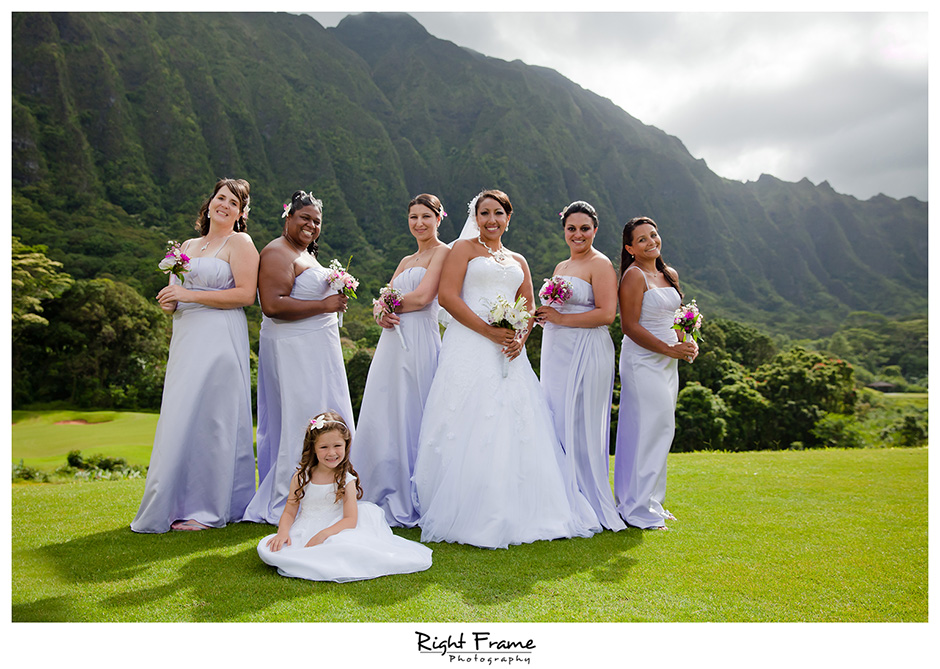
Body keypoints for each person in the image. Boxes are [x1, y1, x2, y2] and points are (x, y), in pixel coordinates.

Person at [412, 189, 601, 549]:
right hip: (469, 344)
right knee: (468, 417)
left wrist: (520, 338)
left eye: (498, 213)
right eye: (484, 213)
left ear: (508, 218)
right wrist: (488, 331)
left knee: (514, 420)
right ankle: (465, 505)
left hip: (509, 353)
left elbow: (528, 305)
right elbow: (449, 297)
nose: (491, 220)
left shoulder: (518, 260)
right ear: (476, 217)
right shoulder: (462, 250)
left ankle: (523, 508)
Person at [131, 178, 259, 533]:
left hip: (220, 335)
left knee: (213, 417)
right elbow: (180, 294)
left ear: (241, 213)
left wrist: (189, 297)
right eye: (220, 198)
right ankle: (173, 502)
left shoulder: (241, 243)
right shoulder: (188, 245)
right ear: (209, 203)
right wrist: (171, 302)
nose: (224, 205)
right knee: (180, 413)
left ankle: (209, 509)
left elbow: (246, 295)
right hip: (186, 335)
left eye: (233, 203)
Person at [242, 191, 355, 525]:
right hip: (296, 353)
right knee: (301, 418)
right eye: (304, 217)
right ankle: (293, 495)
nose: (311, 225)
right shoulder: (277, 251)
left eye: (317, 221)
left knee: (320, 413)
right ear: (288, 216)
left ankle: (329, 491)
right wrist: (325, 305)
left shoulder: (303, 253)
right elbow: (273, 305)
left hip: (317, 351)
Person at [354, 194, 450, 527]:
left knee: (414, 410)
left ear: (440, 218)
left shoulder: (444, 252)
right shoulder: (407, 259)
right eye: (413, 217)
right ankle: (379, 485)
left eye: (426, 216)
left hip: (420, 340)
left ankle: (415, 491)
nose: (419, 223)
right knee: (385, 410)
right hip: (391, 341)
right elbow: (384, 300)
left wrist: (388, 306)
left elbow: (423, 298)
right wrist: (381, 313)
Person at [535, 201, 626, 532]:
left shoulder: (600, 265)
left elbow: (606, 314)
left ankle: (588, 498)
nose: (578, 234)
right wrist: (546, 317)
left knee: (581, 422)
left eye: (584, 228)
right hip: (557, 348)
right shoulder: (561, 266)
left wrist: (561, 317)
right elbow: (557, 307)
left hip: (587, 350)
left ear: (595, 230)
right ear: (564, 230)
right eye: (571, 228)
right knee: (557, 419)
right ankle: (561, 495)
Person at [257, 411, 432, 582]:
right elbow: (290, 510)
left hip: (337, 526)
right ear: (313, 448)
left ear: (346, 445)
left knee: (340, 550)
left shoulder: (346, 479)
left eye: (337, 446)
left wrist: (323, 534)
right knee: (275, 550)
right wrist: (283, 532)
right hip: (306, 526)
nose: (331, 453)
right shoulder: (301, 477)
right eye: (324, 447)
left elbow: (350, 519)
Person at [614, 216, 698, 529]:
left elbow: (677, 320)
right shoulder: (633, 277)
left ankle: (651, 502)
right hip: (643, 361)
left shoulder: (669, 273)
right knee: (649, 428)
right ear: (630, 248)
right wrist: (667, 349)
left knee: (662, 428)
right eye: (642, 239)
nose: (651, 242)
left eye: (654, 235)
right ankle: (636, 508)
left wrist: (687, 342)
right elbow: (629, 326)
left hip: (668, 361)